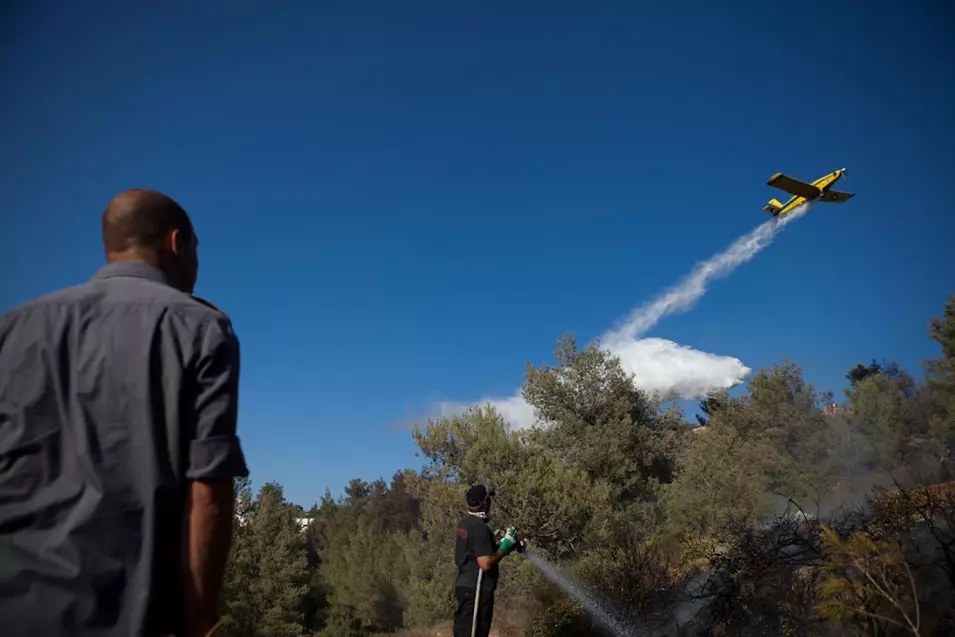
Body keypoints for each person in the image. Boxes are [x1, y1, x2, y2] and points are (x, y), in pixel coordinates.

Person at [0, 189, 249, 637]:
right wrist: (201, 622)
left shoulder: (13, 329)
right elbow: (207, 491)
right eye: (196, 249)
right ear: (178, 243)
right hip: (135, 613)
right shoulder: (199, 328)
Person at [453, 484, 521, 637]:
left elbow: (476, 549)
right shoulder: (480, 528)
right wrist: (505, 547)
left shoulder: (464, 524)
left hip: (464, 587)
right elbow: (485, 563)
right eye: (489, 499)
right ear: (485, 503)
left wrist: (499, 543)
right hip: (477, 591)